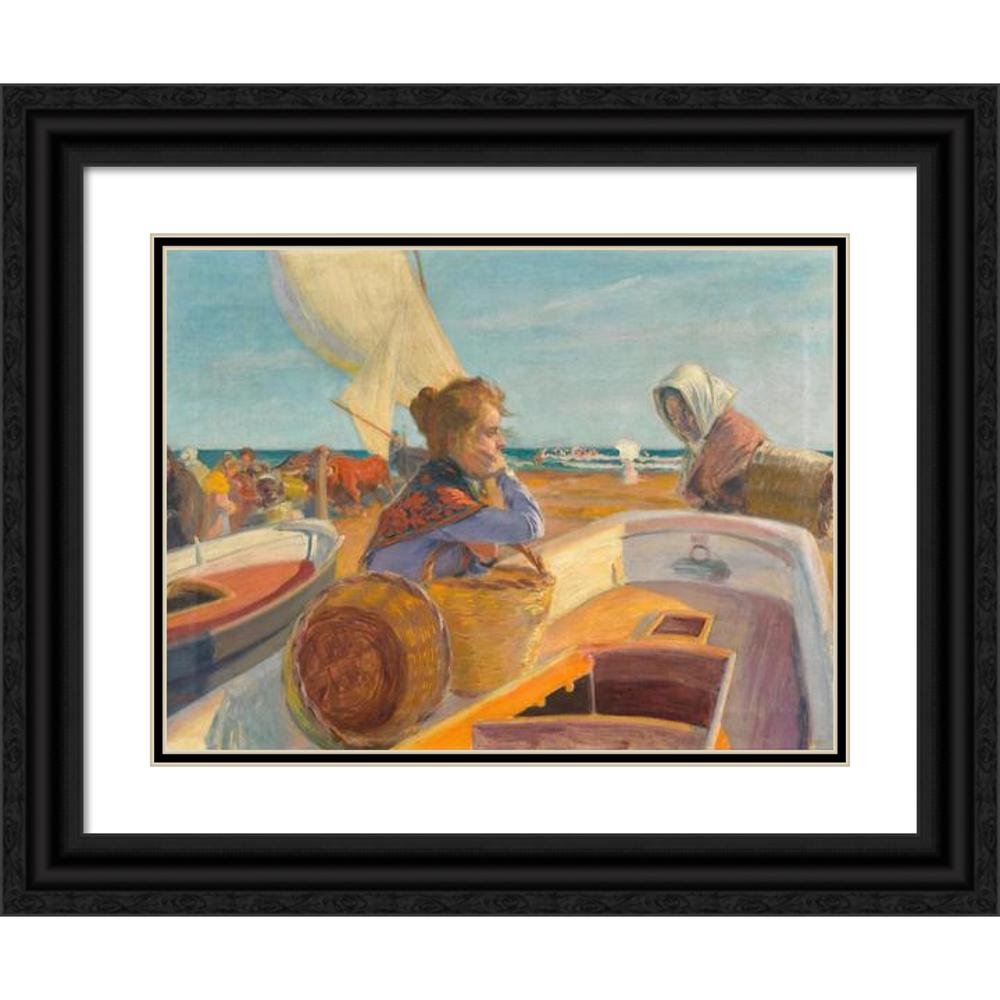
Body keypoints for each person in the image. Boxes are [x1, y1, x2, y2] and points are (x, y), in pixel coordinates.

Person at [363, 377, 544, 580]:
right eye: (491, 432)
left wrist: (482, 559)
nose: (501, 442)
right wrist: (505, 475)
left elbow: (478, 557)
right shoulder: (442, 497)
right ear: (456, 439)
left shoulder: (435, 480)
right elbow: (531, 526)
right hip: (390, 595)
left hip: (398, 589)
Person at [652, 363, 766, 513]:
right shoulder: (706, 441)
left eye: (686, 412)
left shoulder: (734, 432)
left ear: (702, 402)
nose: (680, 425)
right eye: (674, 418)